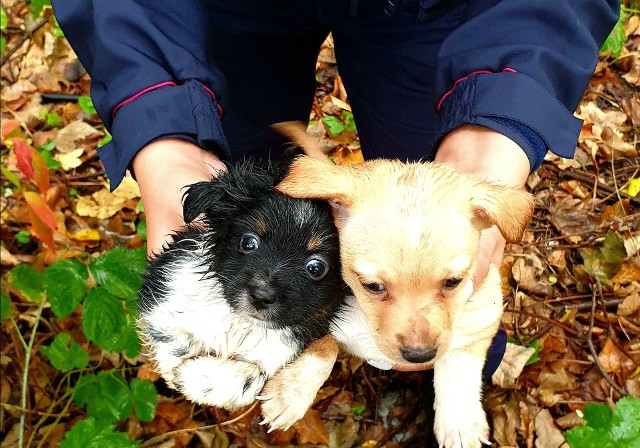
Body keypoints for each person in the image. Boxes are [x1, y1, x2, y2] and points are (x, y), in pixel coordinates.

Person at [52, 0, 617, 396]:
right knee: (264, 222)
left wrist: (498, 116)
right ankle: (266, 354)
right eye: (375, 287)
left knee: (428, 228)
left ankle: (465, 367)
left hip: (431, 12)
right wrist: (166, 132)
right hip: (218, 13)